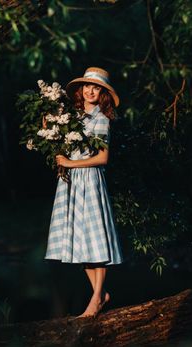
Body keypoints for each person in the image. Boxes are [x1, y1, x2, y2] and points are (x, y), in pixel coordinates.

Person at [44, 67, 124, 318]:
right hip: (71, 182)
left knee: (95, 240)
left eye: (96, 87)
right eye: (87, 86)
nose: (90, 90)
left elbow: (102, 158)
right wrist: (49, 124)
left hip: (89, 180)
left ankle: (96, 298)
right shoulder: (74, 116)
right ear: (81, 89)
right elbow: (62, 141)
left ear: (103, 94)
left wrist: (70, 164)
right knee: (82, 241)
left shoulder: (101, 119)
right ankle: (100, 295)